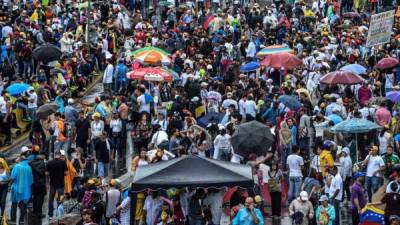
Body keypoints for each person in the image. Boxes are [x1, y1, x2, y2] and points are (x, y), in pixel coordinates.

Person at [10, 147, 33, 225]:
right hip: (25, 191)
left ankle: (13, 220)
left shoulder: (17, 167)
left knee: (14, 204)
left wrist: (9, 185)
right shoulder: (29, 168)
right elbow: (31, 181)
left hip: (16, 190)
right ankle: (21, 220)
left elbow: (12, 177)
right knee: (23, 205)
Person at [47, 150, 68, 218]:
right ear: (59, 155)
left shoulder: (50, 162)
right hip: (60, 184)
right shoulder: (63, 162)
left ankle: (50, 214)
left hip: (52, 183)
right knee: (60, 199)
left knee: (51, 199)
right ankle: (58, 214)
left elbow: (46, 173)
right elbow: (66, 173)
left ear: (54, 155)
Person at [29, 151, 47, 219]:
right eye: (44, 157)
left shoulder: (32, 162)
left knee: (35, 198)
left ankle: (34, 211)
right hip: (40, 183)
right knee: (40, 199)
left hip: (34, 183)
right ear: (42, 156)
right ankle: (39, 213)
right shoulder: (42, 163)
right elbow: (42, 172)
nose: (45, 158)